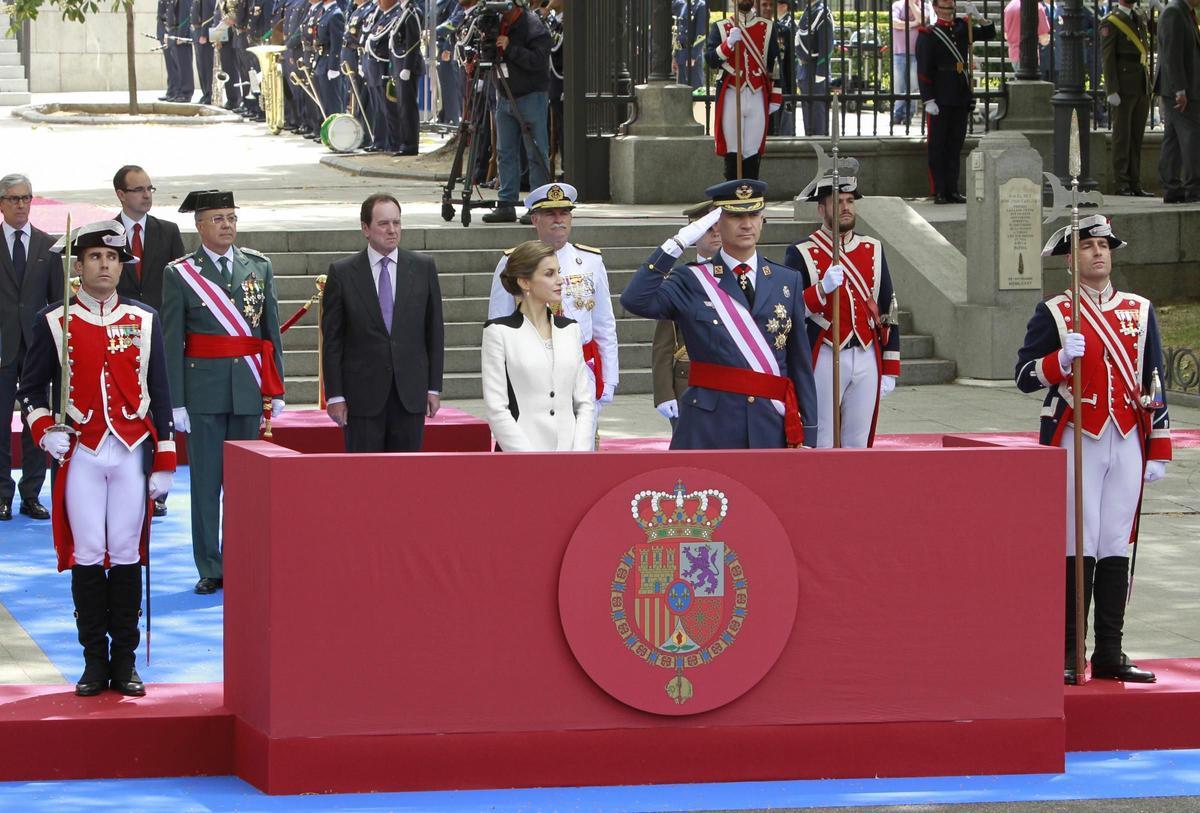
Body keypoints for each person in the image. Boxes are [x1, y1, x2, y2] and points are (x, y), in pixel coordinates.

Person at [17, 221, 176, 698]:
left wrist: (165, 457)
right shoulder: (54, 319)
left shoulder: (143, 318)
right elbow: (30, 391)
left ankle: (125, 662)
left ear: (122, 266)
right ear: (78, 266)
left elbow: (161, 392)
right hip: (81, 453)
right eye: (94, 258)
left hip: (129, 451)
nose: (104, 266)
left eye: (112, 259)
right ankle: (93, 663)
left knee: (127, 552)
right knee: (88, 552)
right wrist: (45, 431)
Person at [1015, 214, 1171, 685]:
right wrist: (1059, 361)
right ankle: (1068, 652)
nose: (1099, 253)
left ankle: (1109, 651)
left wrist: (1159, 448)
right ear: (1070, 259)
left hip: (1126, 437)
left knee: (1114, 541)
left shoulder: (1140, 311)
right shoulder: (1056, 313)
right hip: (1076, 435)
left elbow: (1155, 383)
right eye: (1088, 246)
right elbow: (1024, 376)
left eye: (1104, 245)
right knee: (1076, 541)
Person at [621, 179, 818, 450]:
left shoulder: (787, 280)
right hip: (709, 425)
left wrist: (808, 433)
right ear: (715, 223)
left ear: (762, 220)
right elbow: (635, 300)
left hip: (770, 422)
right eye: (736, 216)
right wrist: (678, 242)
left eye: (753, 215)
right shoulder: (691, 280)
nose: (746, 224)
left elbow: (800, 363)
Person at [161, 190, 284, 595]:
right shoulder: (180, 274)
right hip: (204, 392)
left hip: (248, 388)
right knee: (207, 484)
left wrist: (276, 386)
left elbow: (269, 335)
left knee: (245, 485)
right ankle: (210, 566)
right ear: (199, 226)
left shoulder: (258, 266)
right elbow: (172, 340)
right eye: (218, 219)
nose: (228, 225)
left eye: (232, 217)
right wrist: (176, 401)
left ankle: (241, 557)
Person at [487, 183, 618, 442]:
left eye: (564, 213)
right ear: (535, 219)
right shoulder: (514, 262)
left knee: (580, 444)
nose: (559, 220)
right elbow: (498, 324)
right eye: (551, 214)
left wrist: (610, 378)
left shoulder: (591, 260)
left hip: (581, 368)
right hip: (530, 370)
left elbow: (604, 322)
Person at [783, 173, 901, 448]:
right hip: (825, 352)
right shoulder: (801, 252)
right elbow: (787, 311)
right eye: (838, 202)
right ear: (821, 209)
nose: (846, 207)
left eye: (850, 201)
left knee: (858, 441)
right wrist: (821, 290)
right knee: (821, 436)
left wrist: (891, 366)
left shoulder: (873, 248)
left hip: (866, 352)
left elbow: (888, 308)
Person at [322, 194, 445, 452]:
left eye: (397, 223)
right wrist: (335, 395)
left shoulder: (423, 268)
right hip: (362, 397)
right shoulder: (343, 273)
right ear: (365, 228)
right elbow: (333, 341)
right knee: (364, 480)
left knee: (407, 479)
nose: (392, 230)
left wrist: (434, 387)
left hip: (410, 394)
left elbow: (434, 333)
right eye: (384, 224)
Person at [112, 165, 185, 517]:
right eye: (139, 189)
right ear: (121, 195)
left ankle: (157, 490)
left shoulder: (167, 232)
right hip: (120, 338)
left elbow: (183, 284)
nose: (147, 195)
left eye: (150, 188)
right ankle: (125, 484)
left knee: (159, 410)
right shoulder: (107, 233)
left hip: (161, 335)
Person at [481, 240, 596, 452]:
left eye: (559, 272)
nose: (560, 280)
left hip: (570, 454)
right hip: (519, 456)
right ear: (525, 282)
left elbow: (584, 403)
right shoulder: (498, 332)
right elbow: (497, 408)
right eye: (549, 274)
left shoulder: (571, 330)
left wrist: (579, 453)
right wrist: (530, 460)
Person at [0, 174, 57, 522]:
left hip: (37, 349)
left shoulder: (48, 247)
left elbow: (55, 303)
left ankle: (32, 494)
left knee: (38, 420)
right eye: (14, 198)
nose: (22, 204)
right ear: (2, 203)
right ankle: (2, 494)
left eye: (27, 198)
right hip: (2, 349)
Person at [651, 201, 723, 432]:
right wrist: (663, 392)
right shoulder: (681, 279)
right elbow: (664, 342)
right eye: (708, 229)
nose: (716, 235)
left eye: (719, 227)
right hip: (688, 381)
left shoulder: (743, 276)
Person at [916, 0, 995, 203]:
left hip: (960, 94)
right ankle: (939, 190)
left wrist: (979, 17)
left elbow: (989, 33)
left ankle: (952, 189)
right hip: (940, 96)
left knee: (954, 145)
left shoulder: (963, 28)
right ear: (935, 8)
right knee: (938, 145)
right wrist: (928, 99)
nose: (949, 12)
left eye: (951, 8)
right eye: (944, 8)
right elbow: (924, 70)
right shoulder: (929, 34)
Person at [479, 3, 552, 223]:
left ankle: (539, 206)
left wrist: (510, 48)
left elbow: (538, 60)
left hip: (530, 96)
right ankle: (506, 204)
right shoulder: (497, 23)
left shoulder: (533, 25)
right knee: (505, 151)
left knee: (536, 152)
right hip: (504, 96)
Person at [705, 0, 782, 180]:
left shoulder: (767, 27)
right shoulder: (721, 27)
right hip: (732, 92)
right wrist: (728, 43)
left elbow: (775, 65)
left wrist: (776, 96)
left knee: (752, 150)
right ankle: (732, 197)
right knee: (733, 149)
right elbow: (710, 60)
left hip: (757, 94)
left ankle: (751, 196)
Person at [1102, 0, 1156, 196]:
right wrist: (1111, 89)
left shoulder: (1139, 16)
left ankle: (1135, 182)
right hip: (1123, 87)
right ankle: (1122, 183)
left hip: (1141, 84)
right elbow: (1108, 58)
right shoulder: (1111, 21)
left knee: (1136, 136)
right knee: (1122, 137)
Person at [1154, 0, 1200, 202]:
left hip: (1182, 88)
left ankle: (1172, 187)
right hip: (1181, 90)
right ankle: (1193, 187)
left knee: (1172, 139)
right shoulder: (1174, 13)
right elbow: (1172, 55)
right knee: (1191, 138)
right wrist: (1180, 89)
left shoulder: (1184, 12)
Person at [388, 0, 425, 156]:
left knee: (408, 107)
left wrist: (407, 67)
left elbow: (413, 41)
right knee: (402, 106)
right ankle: (404, 142)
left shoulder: (412, 12)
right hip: (399, 62)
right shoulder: (402, 11)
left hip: (407, 65)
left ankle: (410, 145)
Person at [892, 0, 933, 125]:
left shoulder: (925, 6)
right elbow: (894, 22)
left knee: (914, 85)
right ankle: (897, 114)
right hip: (899, 51)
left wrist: (911, 5)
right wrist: (913, 23)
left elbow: (922, 20)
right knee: (899, 85)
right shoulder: (897, 5)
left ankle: (908, 115)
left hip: (917, 52)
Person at [795, 0, 832, 136]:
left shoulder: (822, 12)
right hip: (804, 69)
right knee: (807, 112)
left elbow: (826, 47)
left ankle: (819, 146)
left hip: (815, 68)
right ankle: (809, 144)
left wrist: (821, 73)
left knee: (817, 114)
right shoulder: (809, 10)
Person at [768, 0, 798, 136]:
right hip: (757, 89)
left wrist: (790, 94)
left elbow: (789, 66)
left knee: (778, 130)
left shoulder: (784, 29)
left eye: (771, 4)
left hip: (779, 88)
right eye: (764, 4)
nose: (768, 8)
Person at [315, 0, 347, 119]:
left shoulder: (335, 14)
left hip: (329, 63)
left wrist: (333, 67)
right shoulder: (324, 12)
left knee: (332, 103)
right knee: (324, 101)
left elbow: (336, 44)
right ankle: (327, 131)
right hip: (321, 60)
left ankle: (335, 132)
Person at [1002, 0, 1050, 69]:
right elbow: (1044, 39)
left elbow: (1006, 36)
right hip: (1031, 55)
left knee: (1019, 78)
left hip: (1014, 54)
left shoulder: (1009, 7)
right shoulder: (1037, 7)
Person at [673, 0, 709, 88]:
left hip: (692, 54)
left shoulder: (701, 6)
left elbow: (701, 34)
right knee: (682, 91)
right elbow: (679, 33)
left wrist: (693, 56)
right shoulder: (684, 4)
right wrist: (675, 55)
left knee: (694, 91)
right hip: (681, 53)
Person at [165, 0, 196, 102]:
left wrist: (181, 35)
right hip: (174, 32)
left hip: (181, 35)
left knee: (184, 65)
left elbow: (186, 16)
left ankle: (186, 93)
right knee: (177, 65)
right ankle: (179, 92)